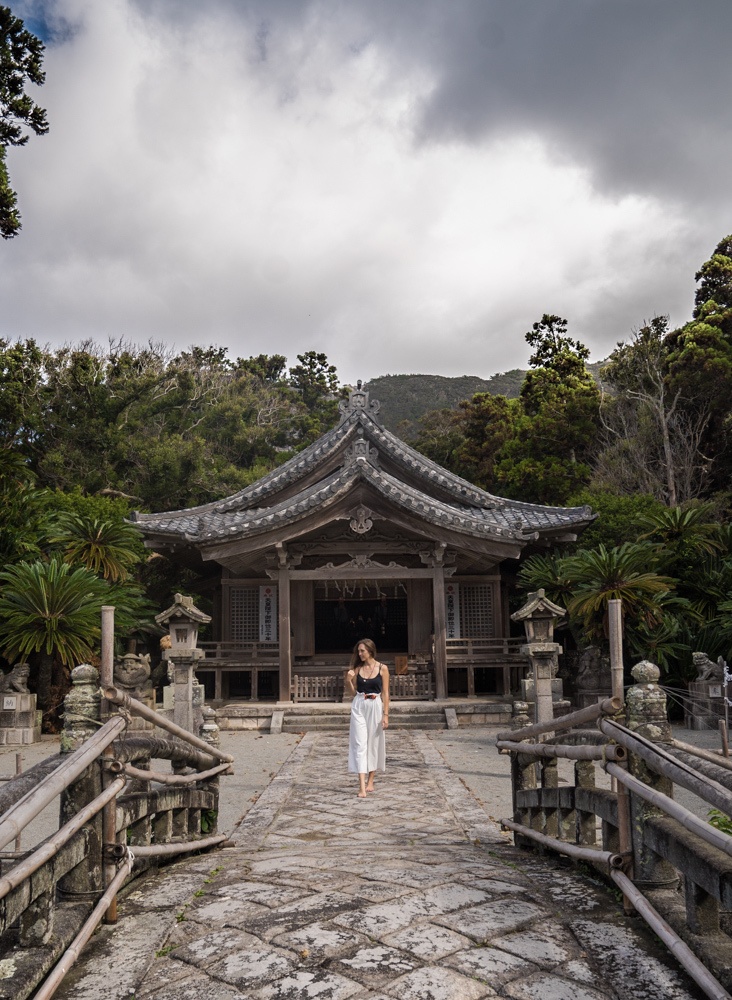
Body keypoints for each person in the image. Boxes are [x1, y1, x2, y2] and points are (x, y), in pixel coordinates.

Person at [346, 638, 390, 798]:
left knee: (373, 743)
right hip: (359, 705)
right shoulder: (357, 669)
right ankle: (361, 786)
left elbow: (385, 693)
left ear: (370, 651)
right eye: (358, 651)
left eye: (362, 651)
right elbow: (353, 693)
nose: (359, 653)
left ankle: (370, 780)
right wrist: (348, 681)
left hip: (375, 705)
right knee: (360, 743)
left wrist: (386, 714)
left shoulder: (383, 668)